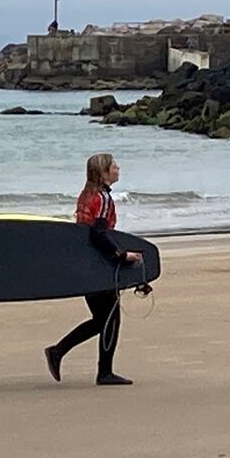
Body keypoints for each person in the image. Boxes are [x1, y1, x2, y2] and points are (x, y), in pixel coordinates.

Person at [44, 153, 141, 386]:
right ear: (103, 173)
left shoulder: (86, 195)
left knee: (102, 319)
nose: (118, 168)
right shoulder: (103, 198)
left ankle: (58, 352)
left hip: (84, 262)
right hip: (99, 264)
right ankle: (103, 372)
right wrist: (121, 256)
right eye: (114, 166)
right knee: (110, 319)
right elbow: (98, 234)